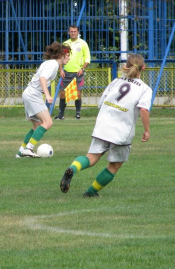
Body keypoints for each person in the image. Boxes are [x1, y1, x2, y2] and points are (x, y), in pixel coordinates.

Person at [59, 53, 152, 197]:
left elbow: (101, 102)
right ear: (143, 68)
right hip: (122, 130)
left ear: (126, 66)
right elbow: (144, 110)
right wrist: (147, 130)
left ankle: (72, 168)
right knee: (114, 165)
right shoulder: (144, 88)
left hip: (103, 123)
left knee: (90, 158)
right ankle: (91, 192)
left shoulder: (116, 81)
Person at [16, 42, 71, 158]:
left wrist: (61, 69)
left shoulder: (53, 63)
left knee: (37, 125)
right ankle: (29, 148)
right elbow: (42, 78)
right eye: (68, 55)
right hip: (33, 94)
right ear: (61, 55)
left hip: (29, 93)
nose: (69, 58)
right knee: (48, 122)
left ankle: (21, 152)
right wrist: (48, 95)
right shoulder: (52, 65)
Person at [54, 25, 91, 120]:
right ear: (68, 32)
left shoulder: (82, 43)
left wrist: (82, 69)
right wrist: (61, 70)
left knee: (78, 94)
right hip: (66, 72)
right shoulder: (66, 44)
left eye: (75, 31)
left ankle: (78, 114)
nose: (73, 33)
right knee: (62, 94)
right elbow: (61, 57)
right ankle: (61, 115)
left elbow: (87, 58)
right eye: (71, 31)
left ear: (78, 32)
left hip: (78, 72)